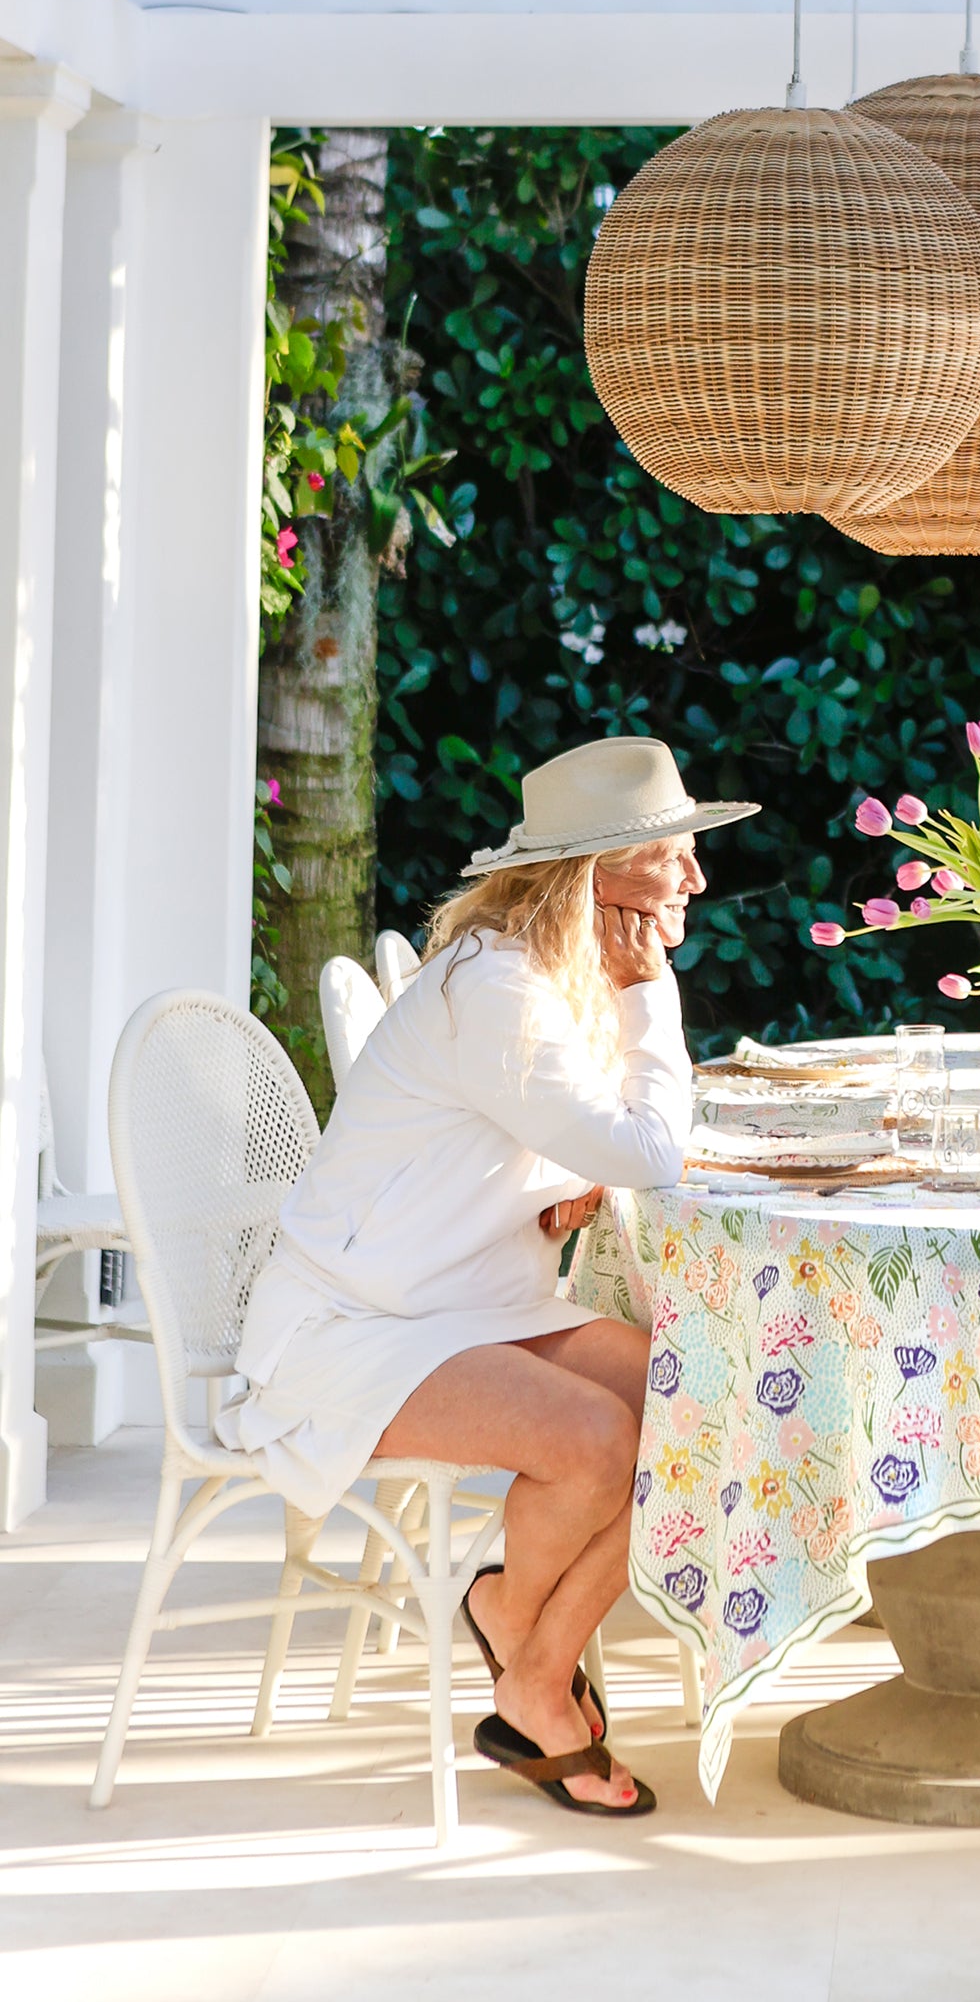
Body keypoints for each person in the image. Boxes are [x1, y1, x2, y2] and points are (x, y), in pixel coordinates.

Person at [219, 736, 756, 1815]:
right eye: (672, 853)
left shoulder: (546, 976)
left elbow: (558, 1139)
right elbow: (650, 1149)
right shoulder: (499, 986)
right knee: (599, 1441)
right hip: (349, 1326)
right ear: (594, 871)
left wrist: (577, 1175)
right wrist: (654, 997)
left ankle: (524, 1638)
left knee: (704, 1409)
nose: (696, 877)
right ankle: (535, 1675)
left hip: (462, 1303)